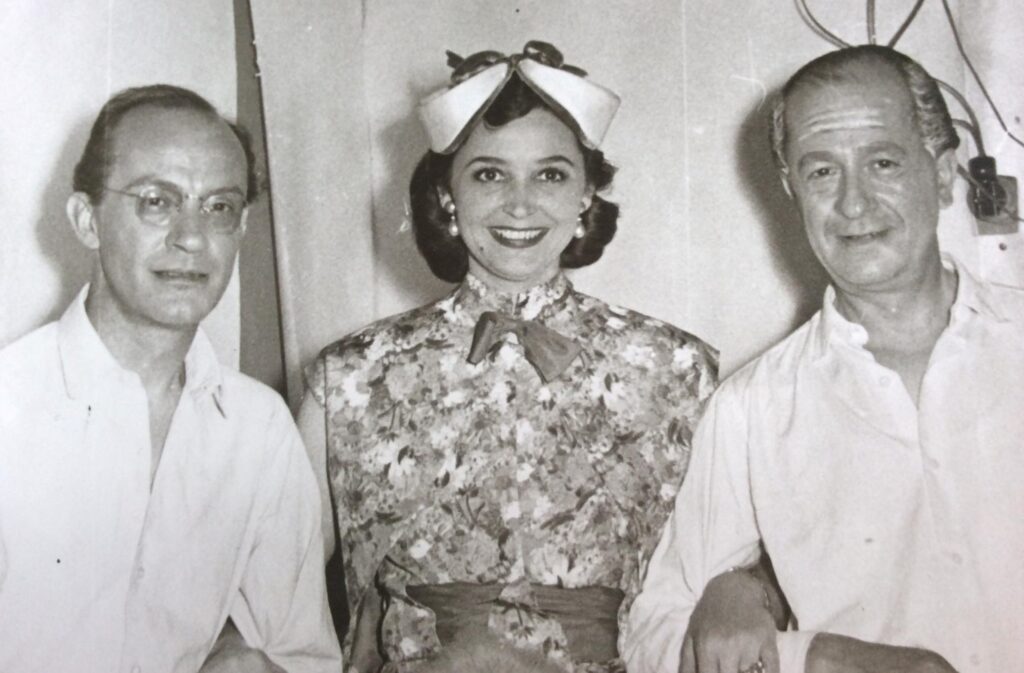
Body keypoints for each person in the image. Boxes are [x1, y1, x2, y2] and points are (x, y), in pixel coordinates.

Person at [298, 41, 719, 672]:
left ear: (586, 195)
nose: (520, 204)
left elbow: (731, 577)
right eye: (489, 174)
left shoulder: (676, 371)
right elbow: (271, 590)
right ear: (448, 195)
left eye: (551, 174)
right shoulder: (350, 378)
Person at [625, 44, 1024, 673]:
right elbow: (654, 636)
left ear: (944, 174)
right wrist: (815, 657)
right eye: (821, 172)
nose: (853, 203)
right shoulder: (751, 408)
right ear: (792, 190)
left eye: (883, 162)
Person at [0, 85, 342, 673]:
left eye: (219, 208)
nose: (192, 237)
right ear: (86, 219)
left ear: (241, 228)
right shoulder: (10, 403)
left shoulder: (259, 430)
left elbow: (302, 656)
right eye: (157, 201)